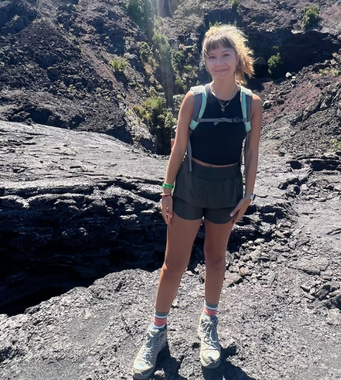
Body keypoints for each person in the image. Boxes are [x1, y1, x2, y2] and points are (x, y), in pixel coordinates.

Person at [132, 24, 262, 379]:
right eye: (213, 56)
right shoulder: (195, 98)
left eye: (226, 55)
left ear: (237, 58)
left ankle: (209, 323)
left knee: (216, 259)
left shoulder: (252, 103)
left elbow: (251, 153)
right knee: (174, 264)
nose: (220, 62)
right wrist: (166, 189)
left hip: (226, 189)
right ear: (206, 61)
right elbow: (179, 147)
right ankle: (157, 332)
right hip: (190, 185)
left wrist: (248, 194)